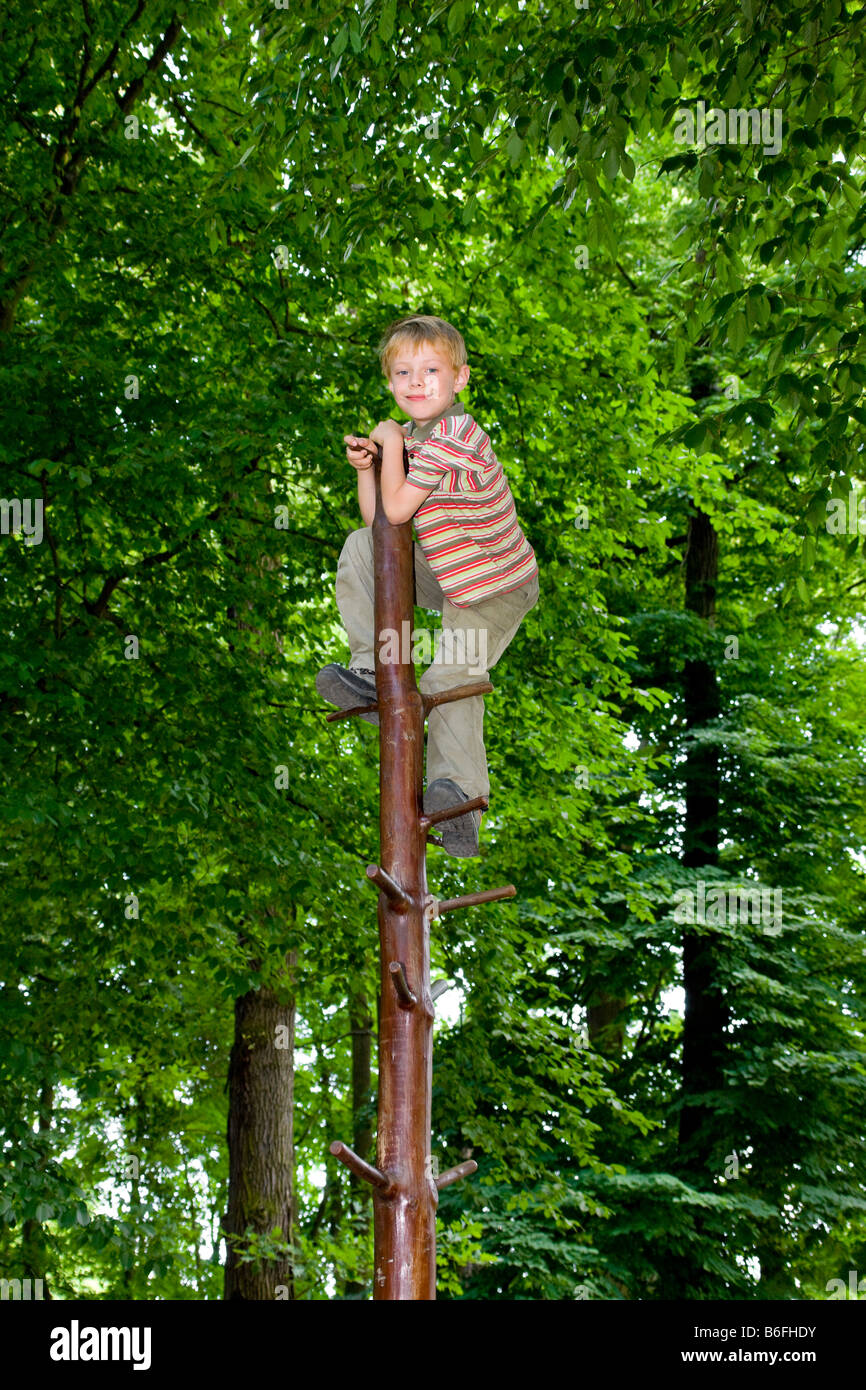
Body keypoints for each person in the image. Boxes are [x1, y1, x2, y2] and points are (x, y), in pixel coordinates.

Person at [317, 314, 538, 856]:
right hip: (448, 570)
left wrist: (387, 439)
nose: (416, 383)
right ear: (390, 383)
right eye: (403, 372)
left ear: (460, 379)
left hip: (495, 585)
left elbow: (397, 506)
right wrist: (368, 468)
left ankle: (456, 797)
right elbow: (382, 524)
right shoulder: (415, 438)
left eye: (431, 370)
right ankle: (371, 667)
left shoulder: (456, 436)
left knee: (449, 671)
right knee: (359, 548)